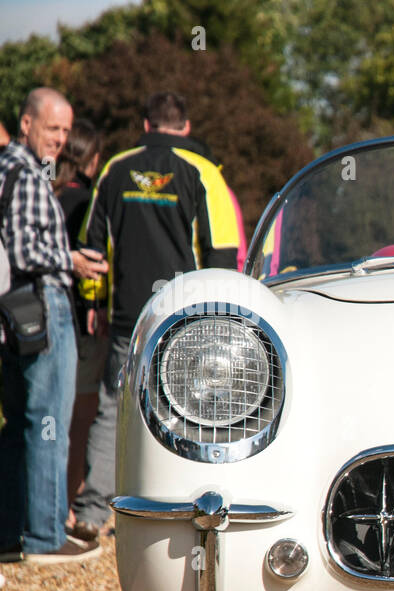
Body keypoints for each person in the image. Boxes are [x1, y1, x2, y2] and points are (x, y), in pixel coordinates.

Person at [71, 91, 242, 540]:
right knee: (190, 412)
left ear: (146, 126)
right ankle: (181, 508)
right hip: (186, 322)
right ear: (184, 128)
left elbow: (92, 249)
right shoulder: (204, 171)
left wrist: (93, 303)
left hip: (128, 316)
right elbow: (224, 253)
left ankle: (91, 514)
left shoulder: (115, 169)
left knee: (111, 409)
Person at [0, 88, 108, 565]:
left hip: (18, 308)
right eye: (52, 129)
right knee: (48, 421)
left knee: (20, 422)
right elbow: (25, 251)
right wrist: (73, 260)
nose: (61, 140)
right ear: (26, 124)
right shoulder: (23, 173)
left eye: (66, 131)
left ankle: (9, 534)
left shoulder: (11, 167)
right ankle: (45, 536)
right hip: (43, 303)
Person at [53, 118, 103, 518]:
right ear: (93, 158)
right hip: (77, 320)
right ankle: (65, 506)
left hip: (40, 317)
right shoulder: (88, 202)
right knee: (80, 423)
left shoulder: (48, 193)